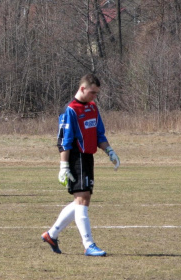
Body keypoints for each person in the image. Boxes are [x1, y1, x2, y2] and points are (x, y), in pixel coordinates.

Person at [41, 74, 120, 257]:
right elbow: (64, 141)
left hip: (88, 158)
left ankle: (51, 235)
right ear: (82, 88)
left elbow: (99, 134)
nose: (95, 96)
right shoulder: (70, 110)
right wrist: (64, 166)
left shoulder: (93, 107)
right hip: (76, 158)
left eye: (97, 93)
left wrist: (110, 152)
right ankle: (88, 244)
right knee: (82, 199)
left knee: (82, 201)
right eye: (92, 92)